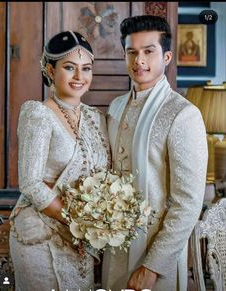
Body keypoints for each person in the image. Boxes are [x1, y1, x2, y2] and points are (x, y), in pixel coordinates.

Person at [102, 15, 208, 291]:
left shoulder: (183, 114)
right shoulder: (115, 107)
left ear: (167, 56)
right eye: (132, 52)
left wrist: (152, 267)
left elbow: (188, 203)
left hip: (153, 255)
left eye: (149, 51)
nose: (139, 60)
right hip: (113, 249)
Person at [9, 31, 111, 291]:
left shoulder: (95, 118)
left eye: (86, 69)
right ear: (50, 71)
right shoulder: (38, 114)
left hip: (81, 237)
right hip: (41, 234)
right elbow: (31, 183)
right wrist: (76, 221)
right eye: (69, 67)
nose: (80, 77)